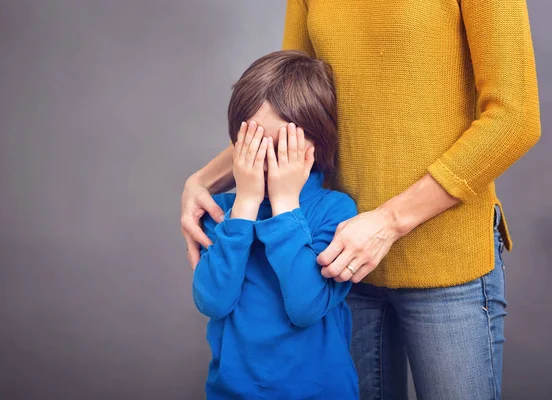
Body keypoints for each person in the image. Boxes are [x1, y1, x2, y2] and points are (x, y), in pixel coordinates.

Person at [182, 1, 540, 399]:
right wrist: (201, 180)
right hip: (333, 260)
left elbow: (516, 118)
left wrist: (388, 222)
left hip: (442, 259)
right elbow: (290, 104)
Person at [192, 50, 359, 399]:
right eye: (252, 144)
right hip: (232, 392)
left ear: (317, 140)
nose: (265, 158)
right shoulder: (221, 212)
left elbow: (305, 307)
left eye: (282, 145)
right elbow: (213, 302)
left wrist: (285, 206)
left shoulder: (335, 210)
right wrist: (246, 204)